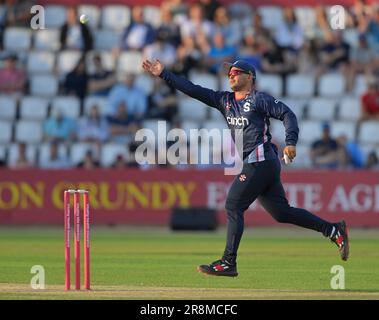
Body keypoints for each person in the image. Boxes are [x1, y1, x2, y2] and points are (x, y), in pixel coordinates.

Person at [142, 58, 349, 277]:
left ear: (250, 77)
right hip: (260, 163)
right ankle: (334, 230)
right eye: (229, 72)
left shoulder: (258, 99)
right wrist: (164, 73)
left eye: (237, 71)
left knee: (233, 205)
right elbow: (192, 89)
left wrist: (290, 142)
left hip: (261, 159)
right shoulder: (224, 100)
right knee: (281, 212)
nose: (231, 75)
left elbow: (288, 114)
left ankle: (228, 262)